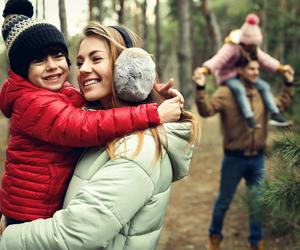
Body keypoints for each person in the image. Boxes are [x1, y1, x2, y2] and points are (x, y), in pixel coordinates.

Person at [0, 21, 197, 250]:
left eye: (96, 59)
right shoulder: (97, 130)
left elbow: (75, 235)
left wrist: (9, 237)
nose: (82, 70)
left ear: (126, 67)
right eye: (81, 61)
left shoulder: (137, 149)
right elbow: (85, 121)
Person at [193, 54, 294, 250]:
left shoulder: (262, 93)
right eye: (251, 69)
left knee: (256, 204)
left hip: (257, 159)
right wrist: (200, 88)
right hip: (234, 159)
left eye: (257, 69)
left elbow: (280, 104)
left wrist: (288, 84)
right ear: (239, 70)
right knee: (223, 201)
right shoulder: (225, 92)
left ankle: (257, 243)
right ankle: (214, 238)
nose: (256, 72)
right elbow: (206, 110)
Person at [194, 13, 294, 128]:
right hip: (226, 76)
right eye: (250, 45)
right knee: (239, 88)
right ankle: (249, 117)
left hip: (240, 75)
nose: (252, 48)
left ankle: (275, 114)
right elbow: (218, 60)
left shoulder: (253, 48)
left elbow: (266, 60)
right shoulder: (232, 47)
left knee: (265, 86)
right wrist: (206, 70)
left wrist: (281, 68)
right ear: (245, 42)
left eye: (254, 46)